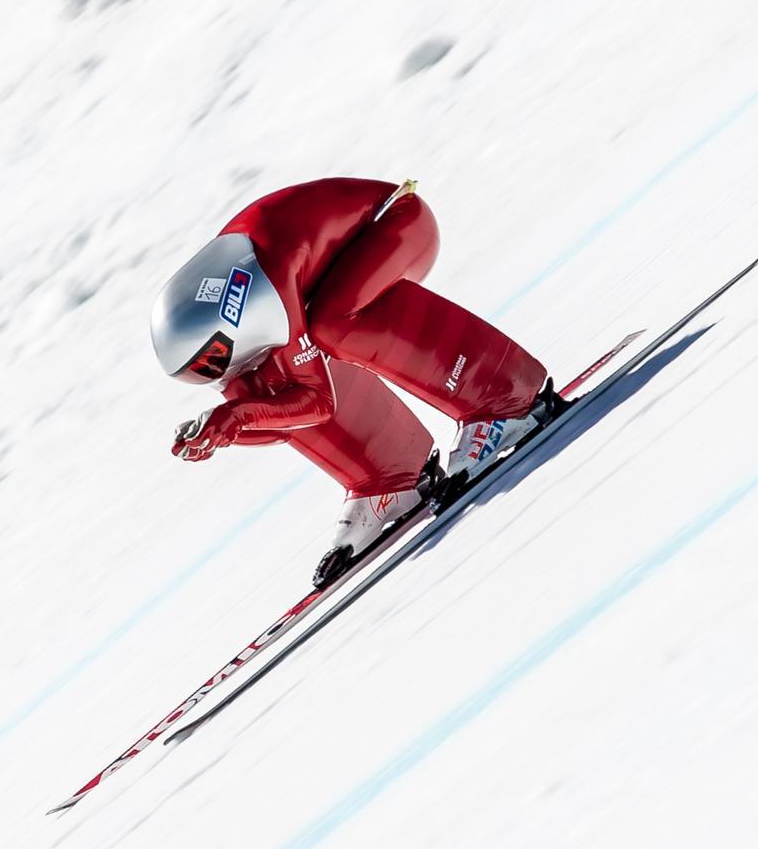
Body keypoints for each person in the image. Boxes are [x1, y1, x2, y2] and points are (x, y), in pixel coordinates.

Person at [150, 177, 566, 586]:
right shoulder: (231, 313)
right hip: (343, 262)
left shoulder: (267, 287)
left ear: (226, 322)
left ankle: (504, 397)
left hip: (396, 221)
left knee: (332, 322)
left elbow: (316, 402)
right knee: (266, 377)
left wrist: (236, 416)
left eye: (215, 363)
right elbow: (273, 416)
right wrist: (224, 430)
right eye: (206, 374)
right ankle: (387, 478)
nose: (218, 375)